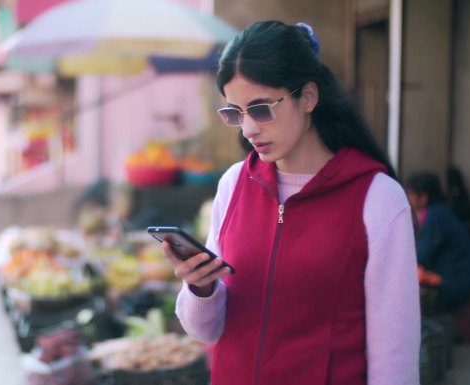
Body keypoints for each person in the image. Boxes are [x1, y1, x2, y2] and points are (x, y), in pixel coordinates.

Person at [159, 20, 421, 385]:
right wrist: (200, 289)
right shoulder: (233, 184)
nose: (248, 129)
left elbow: (395, 355)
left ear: (309, 97)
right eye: (235, 113)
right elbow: (206, 332)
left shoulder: (376, 199)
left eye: (261, 108)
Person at [406, 171, 470, 343]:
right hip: (462, 277)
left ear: (423, 197)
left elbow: (421, 254)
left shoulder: (435, 216)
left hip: (456, 282)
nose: (407, 198)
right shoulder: (440, 211)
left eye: (410, 193)